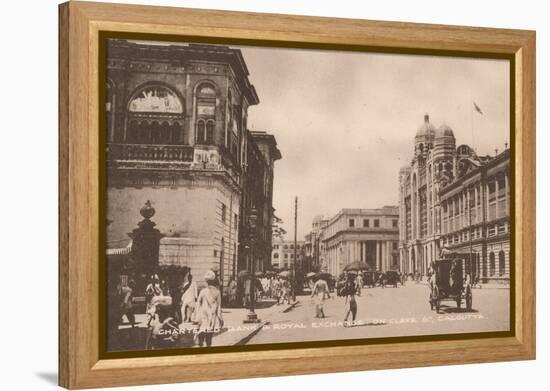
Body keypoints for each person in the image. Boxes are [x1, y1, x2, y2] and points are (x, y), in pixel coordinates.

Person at [194, 270, 224, 347]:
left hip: (202, 315)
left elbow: (198, 304)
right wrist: (220, 319)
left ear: (207, 282)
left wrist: (196, 317)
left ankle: (200, 347)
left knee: (201, 332)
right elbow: (219, 307)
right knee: (209, 335)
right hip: (211, 315)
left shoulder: (202, 291)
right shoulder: (217, 292)